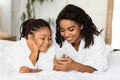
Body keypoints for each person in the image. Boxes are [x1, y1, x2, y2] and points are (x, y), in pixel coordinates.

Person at [53, 4, 108, 73]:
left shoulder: (95, 40)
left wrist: (74, 66)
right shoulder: (57, 39)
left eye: (71, 29)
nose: (66, 34)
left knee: (107, 50)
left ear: (81, 26)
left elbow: (98, 66)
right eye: (62, 30)